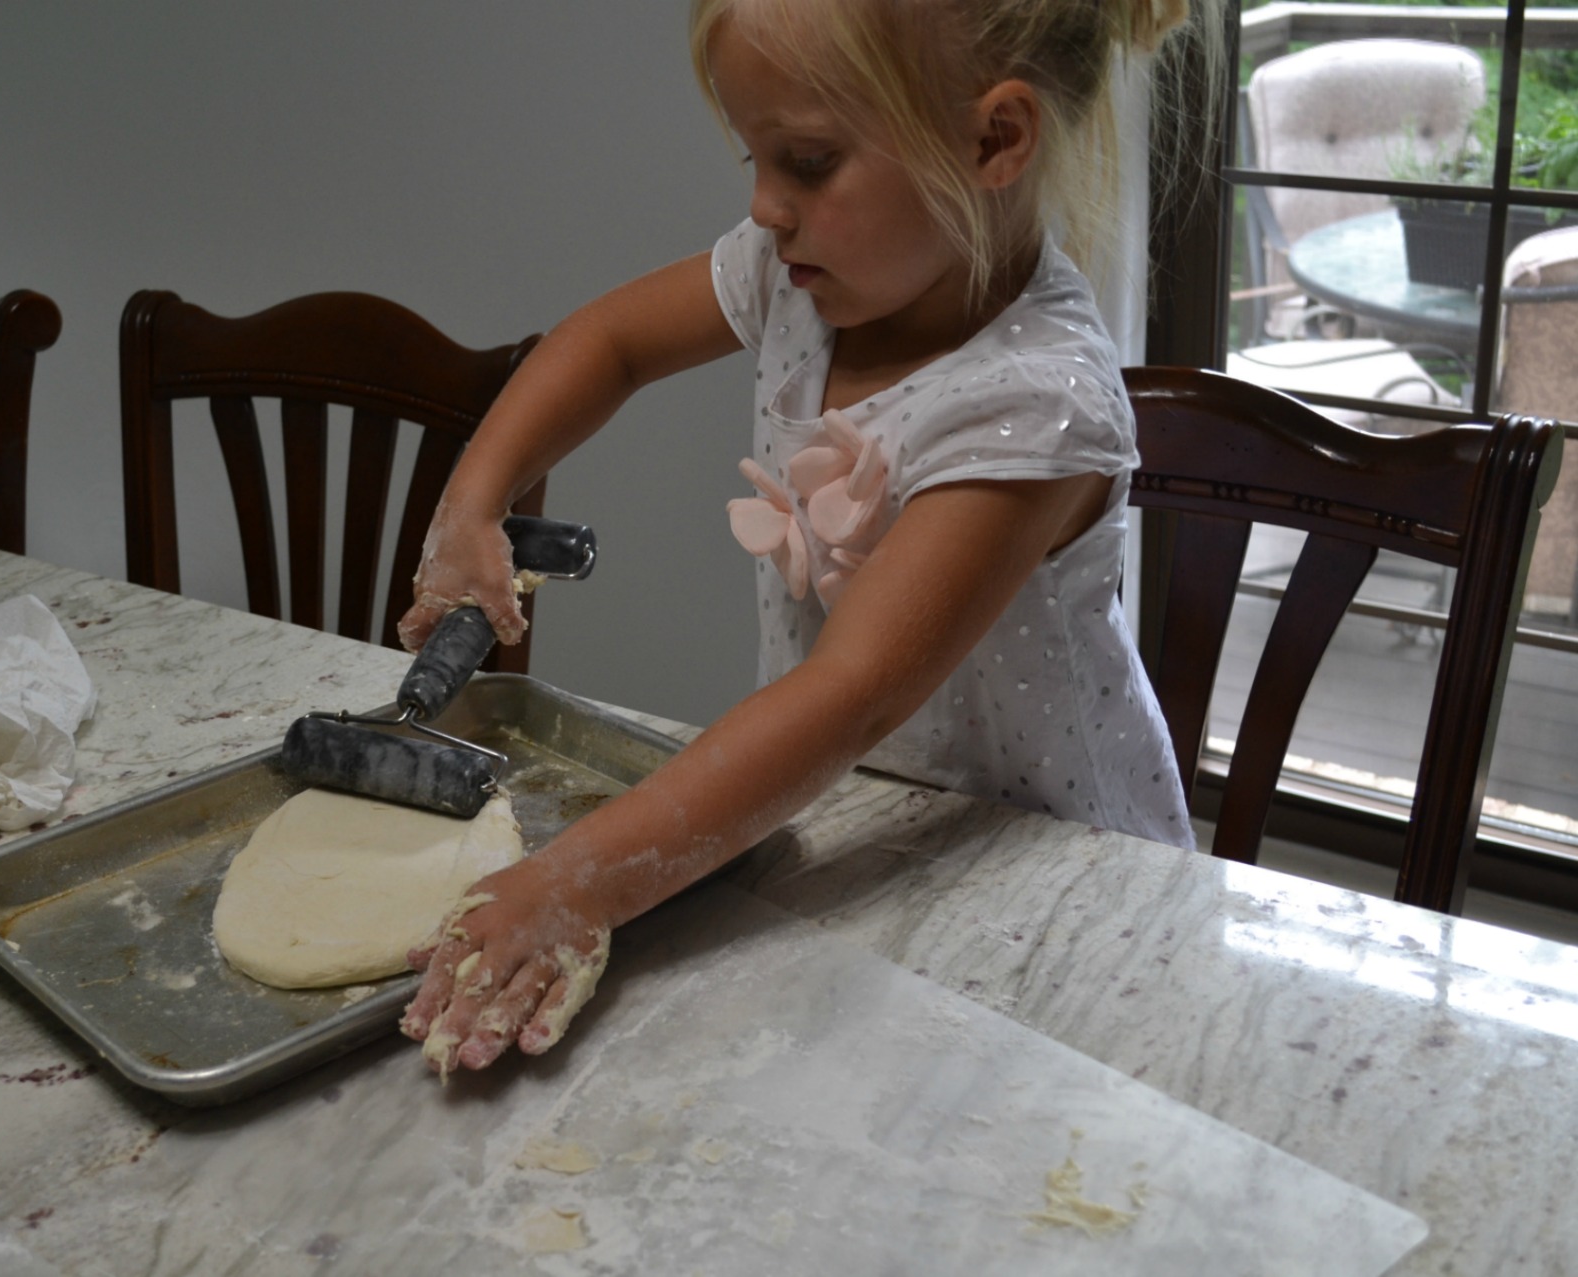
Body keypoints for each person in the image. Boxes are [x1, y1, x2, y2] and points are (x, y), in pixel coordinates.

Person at [397, 0, 1221, 1077]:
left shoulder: (1034, 407)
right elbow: (605, 341)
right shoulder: (805, 280)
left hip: (1048, 886)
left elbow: (854, 691)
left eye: (809, 161)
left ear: (994, 140)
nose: (764, 207)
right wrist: (474, 501)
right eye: (755, 156)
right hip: (871, 830)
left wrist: (575, 880)